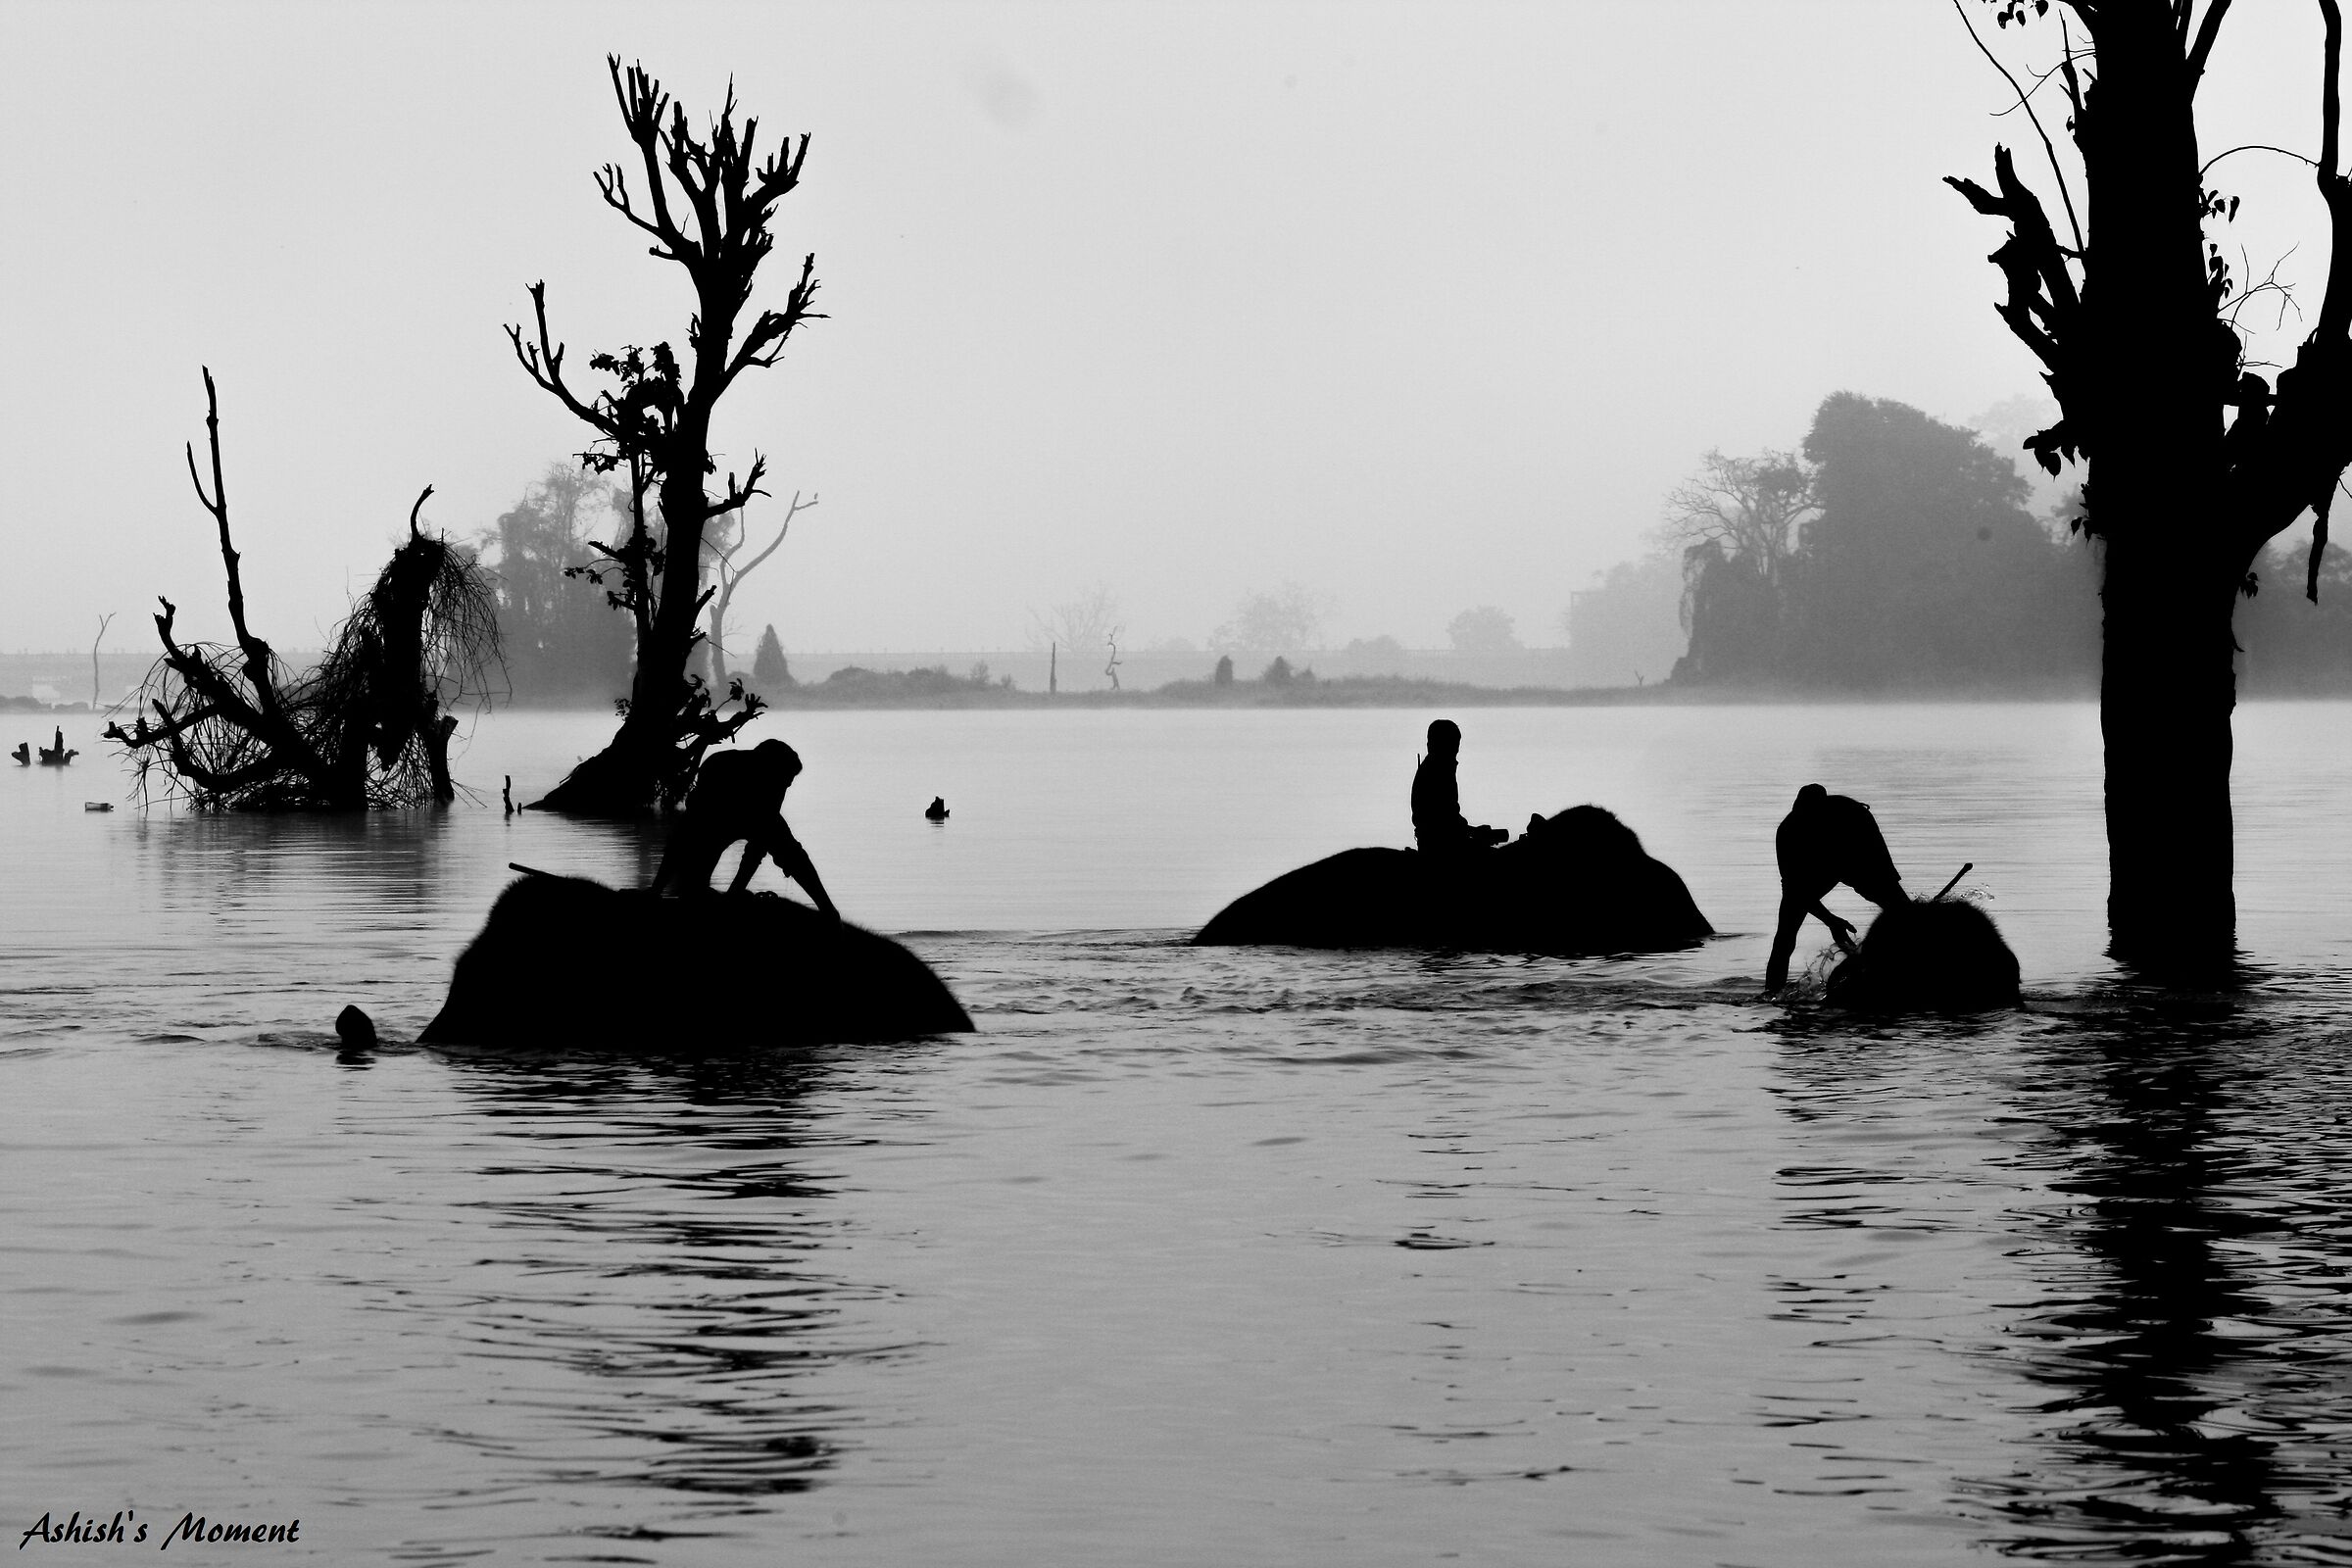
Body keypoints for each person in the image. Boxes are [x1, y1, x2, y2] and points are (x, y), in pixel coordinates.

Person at [651, 738, 839, 917]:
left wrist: (735, 891)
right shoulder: (718, 765)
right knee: (694, 881)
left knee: (792, 853)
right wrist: (656, 890)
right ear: (770, 770)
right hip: (714, 820)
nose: (788, 785)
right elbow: (682, 838)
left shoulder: (773, 787)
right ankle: (659, 893)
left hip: (753, 815)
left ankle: (828, 911)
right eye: (786, 779)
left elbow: (758, 847)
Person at [1765, 782, 1908, 994]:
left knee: (1904, 913)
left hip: (1854, 854)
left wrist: (1892, 894)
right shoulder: (1788, 831)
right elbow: (1795, 889)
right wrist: (1831, 921)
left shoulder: (1854, 815)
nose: (1810, 821)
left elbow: (1882, 866)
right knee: (1785, 936)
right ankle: (1771, 993)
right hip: (1814, 867)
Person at [1411, 719, 1507, 854]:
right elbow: (1444, 822)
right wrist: (1476, 832)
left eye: (1457, 745)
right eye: (1452, 746)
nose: (1456, 751)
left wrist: (1473, 832)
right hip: (1442, 847)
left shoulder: (1432, 770)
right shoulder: (1437, 773)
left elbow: (1448, 818)